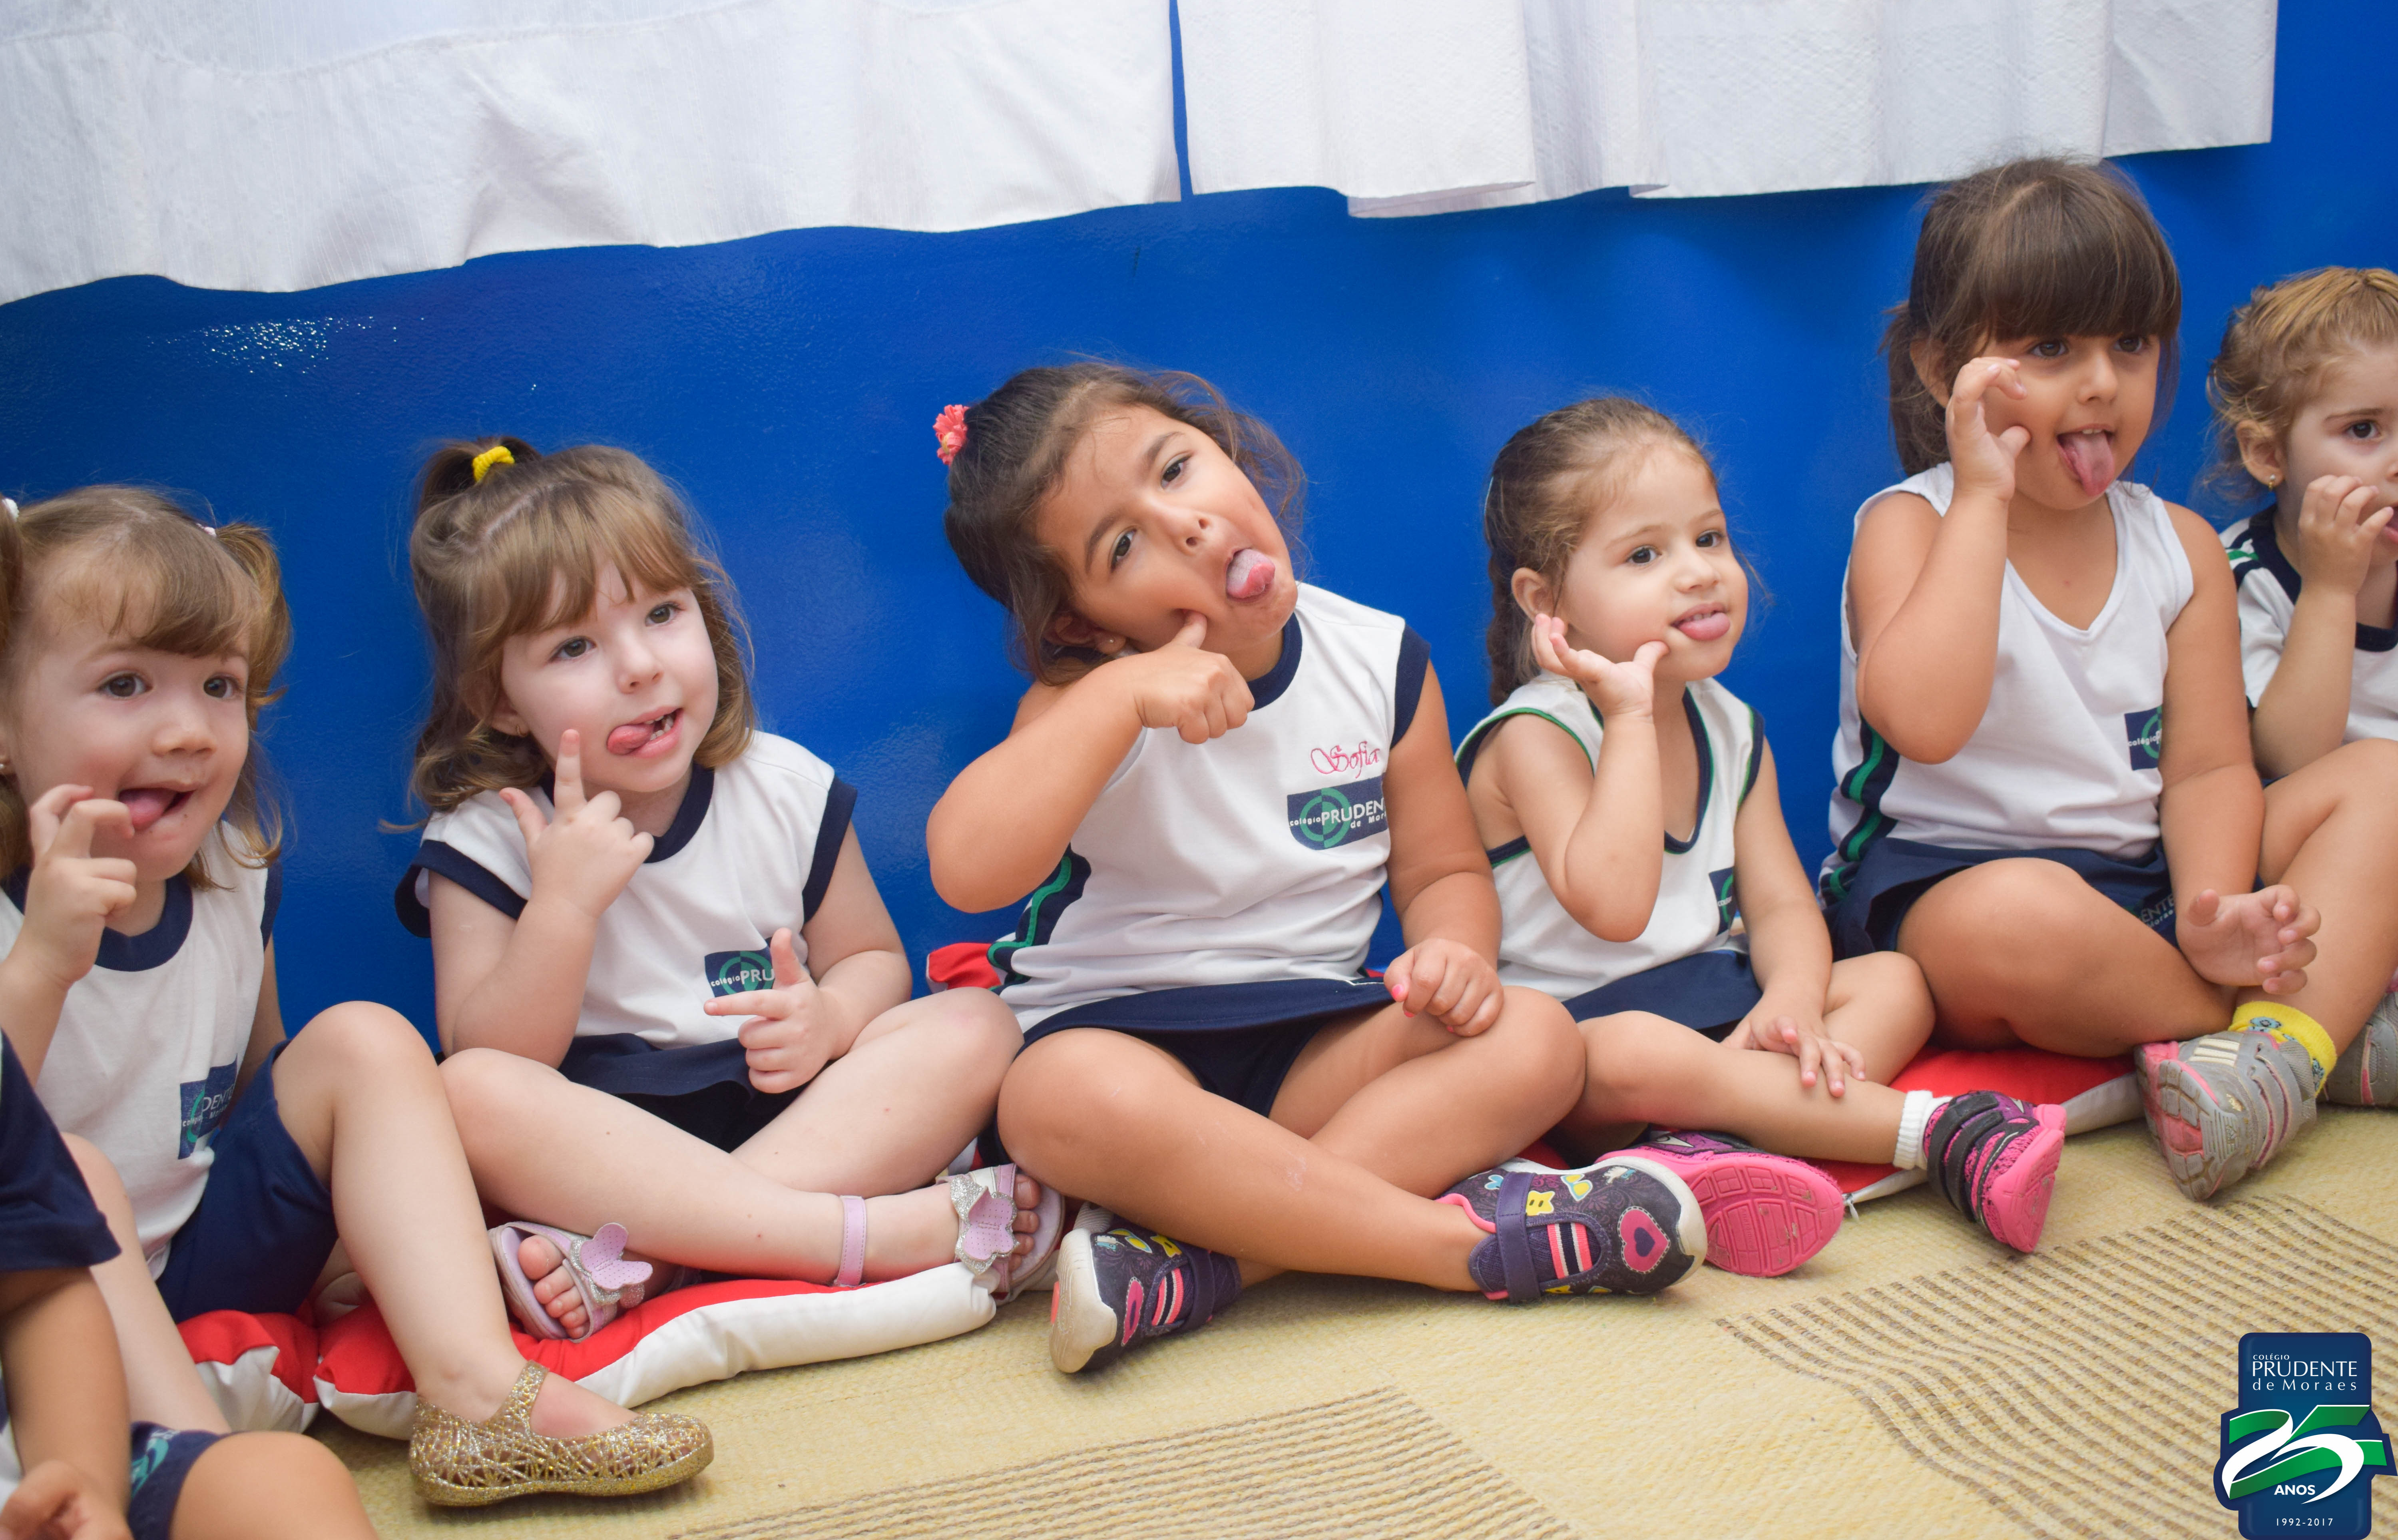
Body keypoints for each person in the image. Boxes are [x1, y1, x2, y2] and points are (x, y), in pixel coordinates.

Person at [929, 367, 1707, 1375]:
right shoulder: (1086, 698)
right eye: (1123, 544)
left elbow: (1440, 873)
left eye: (1178, 469)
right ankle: (1461, 1251)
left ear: (1229, 453)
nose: (1190, 526)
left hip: (1311, 1056)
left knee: (1539, 1037)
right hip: (1129, 1053)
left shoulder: (1379, 659)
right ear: (1084, 620)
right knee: (1050, 1094)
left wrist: (1455, 952)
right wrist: (1115, 699)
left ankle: (1207, 1266)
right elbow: (966, 869)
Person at [0, 486, 709, 1509]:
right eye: (124, 683)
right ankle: (203, 1469)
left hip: (201, 1259)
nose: (189, 729)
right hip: (44, 1296)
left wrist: (358, 1252)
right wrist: (40, 970)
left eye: (219, 686)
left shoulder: (236, 865)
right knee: (77, 1171)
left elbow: (265, 1092)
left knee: (363, 1039)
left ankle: (476, 1392)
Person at [1821, 159, 2398, 1202]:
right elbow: (1926, 721)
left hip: (2152, 884)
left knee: (2385, 778)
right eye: (2050, 349)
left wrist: (2215, 906)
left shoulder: (2179, 547)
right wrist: (1986, 503)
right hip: (1947, 889)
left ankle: (2264, 1050)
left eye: (2129, 345)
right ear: (1944, 369)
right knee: (2021, 913)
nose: (2100, 383)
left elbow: (2214, 767)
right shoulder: (1908, 525)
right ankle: (2296, 1033)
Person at [401, 438, 1056, 1341]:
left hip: (787, 1114)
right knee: (466, 1091)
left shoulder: (781, 786)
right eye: (574, 646)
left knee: (976, 1024)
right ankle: (859, 1235)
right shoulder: (488, 835)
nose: (639, 666)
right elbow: (492, 1050)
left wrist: (828, 1018)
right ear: (501, 700)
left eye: (663, 613)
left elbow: (870, 958)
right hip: (601, 1149)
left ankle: (660, 1260)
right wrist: (562, 907)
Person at [1462, 398, 2069, 1263]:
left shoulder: (1730, 724)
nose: (1699, 571)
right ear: (1545, 600)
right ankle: (1942, 1134)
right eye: (1645, 554)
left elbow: (1784, 904)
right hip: (1588, 1036)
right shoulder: (1538, 733)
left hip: (1721, 1008)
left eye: (1709, 539)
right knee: (1633, 1052)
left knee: (1896, 982)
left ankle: (1712, 1155)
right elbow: (1614, 905)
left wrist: (1790, 1001)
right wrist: (1629, 718)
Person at [2206, 265, 2398, 1107]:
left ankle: (2366, 1039)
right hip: (2273, 863)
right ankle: (2281, 1053)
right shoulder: (2236, 579)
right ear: (2268, 453)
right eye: (2364, 430)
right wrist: (2330, 588)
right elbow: (2288, 754)